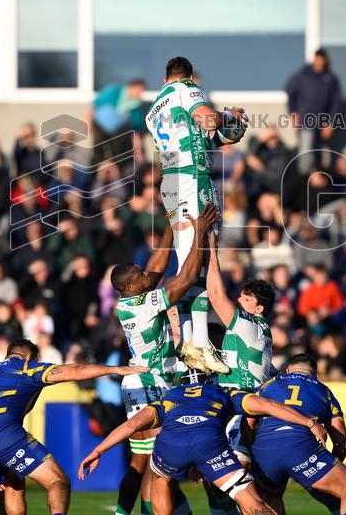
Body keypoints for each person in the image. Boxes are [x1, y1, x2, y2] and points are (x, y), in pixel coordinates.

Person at [79, 368, 328, 515]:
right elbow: (268, 406)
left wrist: (98, 450)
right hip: (210, 445)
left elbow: (131, 425)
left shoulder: (169, 397)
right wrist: (309, 423)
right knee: (252, 503)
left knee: (158, 476)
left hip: (172, 446)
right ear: (208, 380)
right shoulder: (223, 391)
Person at [110, 205, 218, 515]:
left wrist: (171, 224)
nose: (148, 275)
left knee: (141, 461)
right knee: (158, 464)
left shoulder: (130, 299)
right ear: (131, 288)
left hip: (140, 379)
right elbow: (186, 278)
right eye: (141, 276)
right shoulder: (141, 305)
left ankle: (122, 512)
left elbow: (156, 267)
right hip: (146, 381)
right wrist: (198, 231)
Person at [0, 339, 145, 515]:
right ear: (29, 357)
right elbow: (76, 370)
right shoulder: (26, 367)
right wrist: (116, 369)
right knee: (58, 481)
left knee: (14, 482)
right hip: (2, 435)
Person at [145, 56, 246, 373]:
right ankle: (197, 341)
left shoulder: (154, 110)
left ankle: (193, 339)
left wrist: (231, 129)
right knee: (200, 256)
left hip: (172, 182)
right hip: (192, 179)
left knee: (190, 258)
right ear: (188, 77)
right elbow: (209, 121)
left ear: (164, 79)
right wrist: (229, 116)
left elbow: (209, 136)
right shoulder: (187, 89)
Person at [204, 232, 275, 514]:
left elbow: (216, 295)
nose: (240, 300)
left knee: (240, 489)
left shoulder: (250, 325)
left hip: (240, 410)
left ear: (259, 308)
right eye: (241, 295)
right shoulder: (253, 334)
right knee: (226, 487)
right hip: (233, 407)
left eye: (246, 298)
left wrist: (210, 248)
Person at [252, 353, 346, 515]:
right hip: (301, 447)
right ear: (317, 376)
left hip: (264, 449)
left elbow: (248, 423)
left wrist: (254, 452)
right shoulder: (324, 391)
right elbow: (341, 443)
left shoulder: (267, 385)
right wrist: (327, 467)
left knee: (272, 496)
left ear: (288, 371)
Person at [285, 48, 342, 175]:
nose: (319, 62)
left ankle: (319, 178)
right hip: (306, 120)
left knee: (322, 153)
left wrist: (331, 123)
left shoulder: (331, 78)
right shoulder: (303, 75)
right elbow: (291, 94)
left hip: (322, 122)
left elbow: (335, 103)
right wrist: (293, 112)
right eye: (317, 59)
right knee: (306, 149)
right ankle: (305, 177)